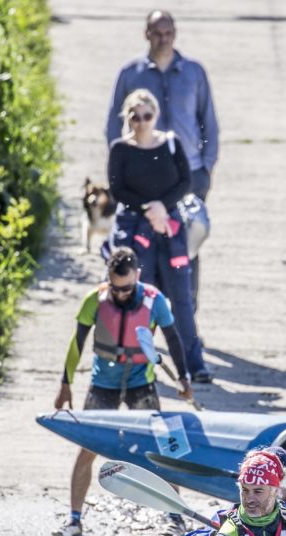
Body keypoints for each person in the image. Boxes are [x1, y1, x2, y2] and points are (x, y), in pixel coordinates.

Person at [52, 247, 194, 536]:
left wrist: (184, 378)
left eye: (127, 288)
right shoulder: (95, 299)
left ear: (138, 276)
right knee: (87, 448)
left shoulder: (155, 301)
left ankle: (176, 517)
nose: (121, 294)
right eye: (116, 289)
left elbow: (173, 339)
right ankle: (75, 520)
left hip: (142, 382)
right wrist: (65, 383)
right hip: (103, 383)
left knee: (165, 447)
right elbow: (77, 343)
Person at [105, 9, 219, 312]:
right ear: (146, 34)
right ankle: (143, 314)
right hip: (142, 183)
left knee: (187, 246)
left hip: (190, 174)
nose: (163, 39)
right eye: (157, 33)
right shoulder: (131, 73)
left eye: (168, 32)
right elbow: (113, 123)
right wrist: (121, 167)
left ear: (175, 33)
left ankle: (185, 314)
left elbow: (208, 121)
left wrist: (206, 164)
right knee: (143, 245)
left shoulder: (194, 72)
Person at [107, 88, 212, 384]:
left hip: (169, 227)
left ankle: (194, 364)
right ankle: (134, 362)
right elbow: (117, 189)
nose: (141, 122)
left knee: (181, 296)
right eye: (135, 116)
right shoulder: (120, 148)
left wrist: (160, 208)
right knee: (140, 294)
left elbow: (185, 182)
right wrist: (146, 209)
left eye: (147, 115)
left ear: (156, 116)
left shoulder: (170, 144)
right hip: (137, 228)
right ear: (128, 118)